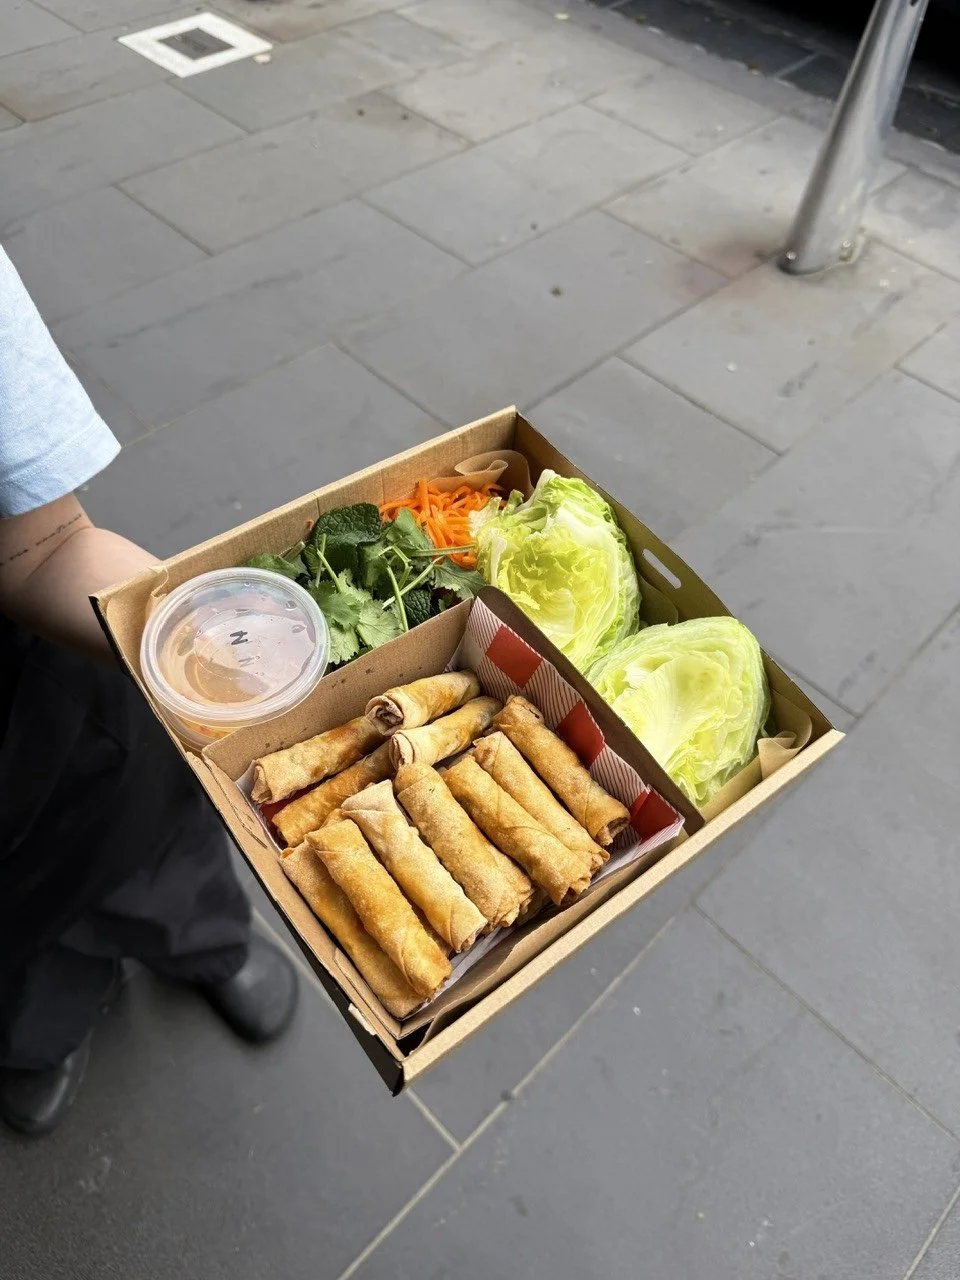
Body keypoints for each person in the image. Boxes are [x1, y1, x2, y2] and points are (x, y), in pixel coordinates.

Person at [0, 247, 298, 1137]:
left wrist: (218, 653)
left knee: (137, 798)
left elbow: (38, 547)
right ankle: (31, 1032)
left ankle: (201, 936)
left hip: (34, 687)